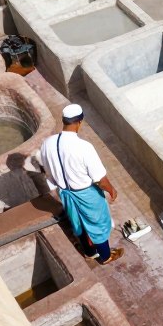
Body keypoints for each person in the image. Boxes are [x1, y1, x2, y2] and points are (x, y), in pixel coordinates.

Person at [37, 105, 123, 266]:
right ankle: (105, 256)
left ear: (64, 121)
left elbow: (47, 171)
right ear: (79, 122)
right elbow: (100, 179)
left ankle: (90, 252)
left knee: (77, 221)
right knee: (98, 224)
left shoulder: (47, 143)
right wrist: (112, 190)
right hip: (86, 193)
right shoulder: (84, 147)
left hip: (65, 192)